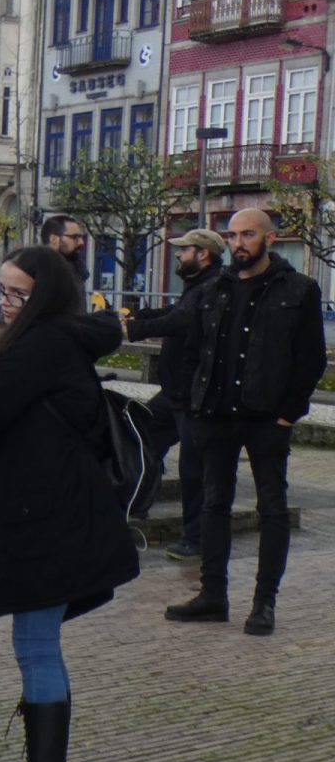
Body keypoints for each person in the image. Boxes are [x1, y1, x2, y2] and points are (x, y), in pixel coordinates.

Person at [0, 246, 140, 762]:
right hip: (54, 509)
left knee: (37, 647)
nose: (4, 303)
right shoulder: (54, 337)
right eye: (1, 290)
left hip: (51, 516)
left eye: (17, 294)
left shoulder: (42, 344)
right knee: (36, 644)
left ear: (43, 297)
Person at [165, 208, 324, 636]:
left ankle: (263, 602)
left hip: (268, 418)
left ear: (269, 239)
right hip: (217, 415)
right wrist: (197, 404)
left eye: (248, 234)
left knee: (272, 508)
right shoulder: (215, 288)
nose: (238, 242)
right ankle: (213, 595)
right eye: (232, 235)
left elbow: (310, 358)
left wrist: (289, 413)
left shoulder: (299, 289)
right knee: (215, 504)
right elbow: (193, 348)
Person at [124, 228, 224, 560]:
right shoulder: (197, 287)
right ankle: (139, 500)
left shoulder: (212, 287)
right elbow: (172, 312)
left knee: (193, 471)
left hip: (192, 395)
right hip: (174, 393)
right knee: (141, 436)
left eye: (184, 250)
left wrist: (135, 329)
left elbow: (180, 321)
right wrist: (136, 315)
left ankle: (195, 539)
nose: (179, 255)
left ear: (203, 254)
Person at [41, 215, 90, 302]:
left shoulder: (77, 269)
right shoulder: (38, 272)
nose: (81, 242)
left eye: (81, 237)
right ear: (54, 239)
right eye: (75, 237)